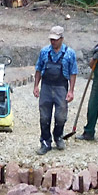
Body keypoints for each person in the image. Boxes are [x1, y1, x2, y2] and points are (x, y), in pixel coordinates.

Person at [33, 25, 77, 155]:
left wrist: (71, 91)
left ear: (62, 38)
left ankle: (58, 136)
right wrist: (36, 86)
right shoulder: (44, 52)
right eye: (51, 39)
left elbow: (73, 72)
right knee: (44, 117)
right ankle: (45, 142)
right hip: (46, 87)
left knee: (61, 117)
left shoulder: (70, 53)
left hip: (61, 87)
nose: (53, 42)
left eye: (56, 39)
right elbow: (38, 69)